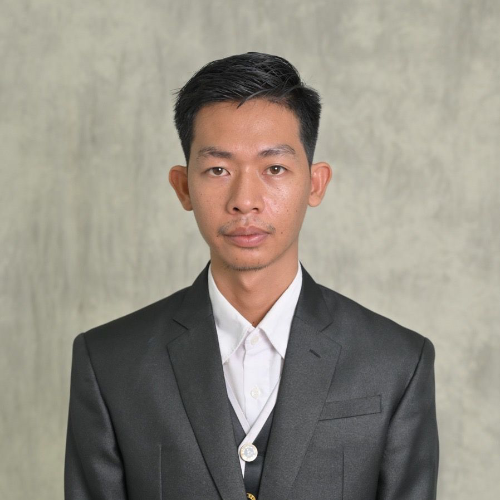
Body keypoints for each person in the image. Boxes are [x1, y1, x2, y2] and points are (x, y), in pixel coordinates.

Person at [64, 52, 439, 500]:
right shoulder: (110, 362)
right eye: (218, 169)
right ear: (183, 186)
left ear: (315, 183)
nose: (245, 200)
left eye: (274, 168)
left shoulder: (397, 361)